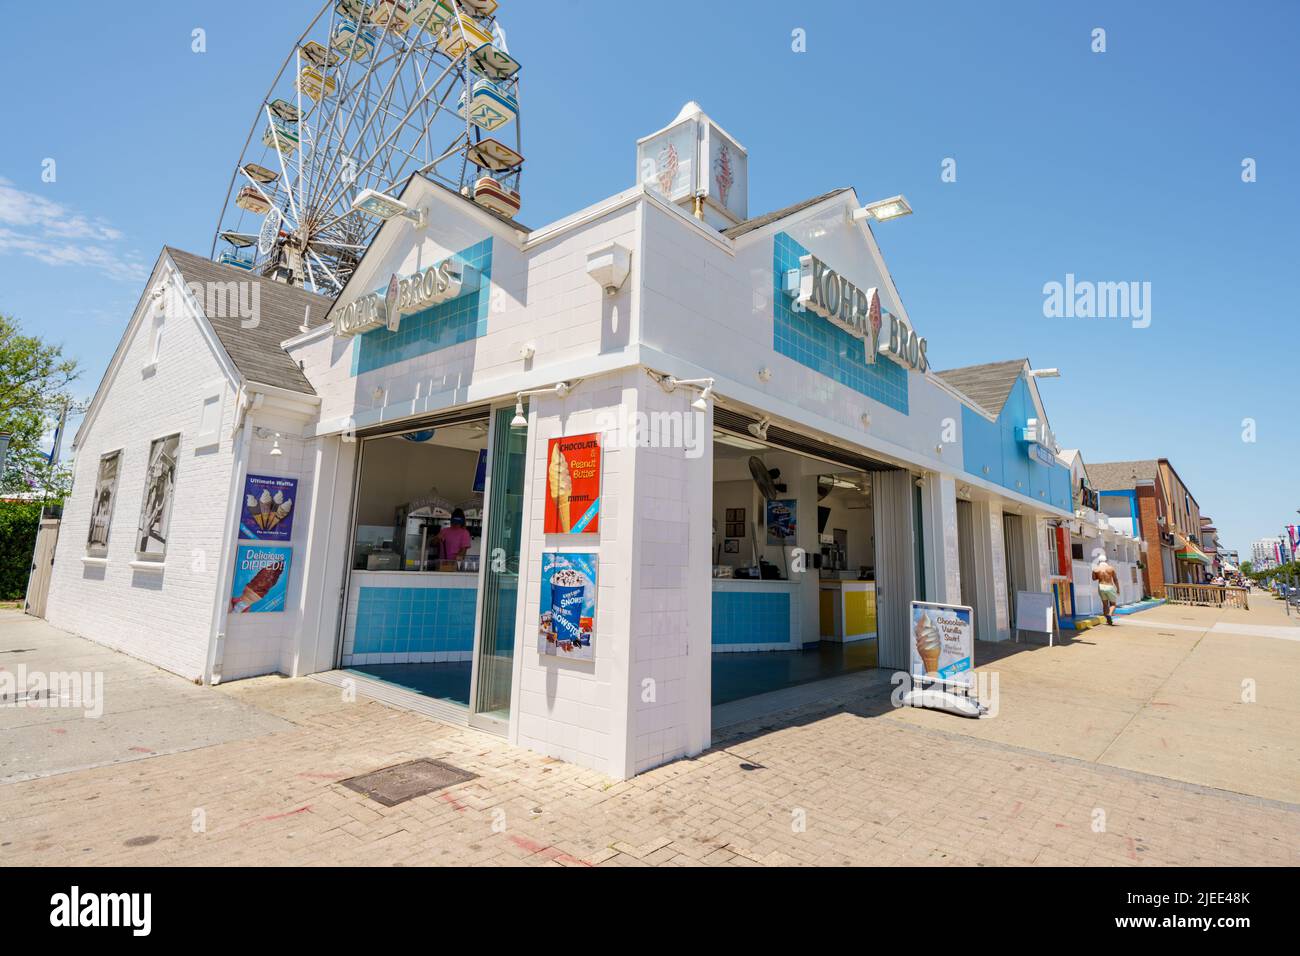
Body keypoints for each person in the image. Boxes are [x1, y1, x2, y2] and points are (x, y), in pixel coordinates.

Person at [1092, 557, 1121, 625]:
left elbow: (1093, 578)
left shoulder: (1096, 569)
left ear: (1099, 561)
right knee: (1113, 604)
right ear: (1106, 561)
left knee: (1105, 604)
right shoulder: (1111, 568)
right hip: (1109, 586)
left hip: (1101, 586)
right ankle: (1109, 615)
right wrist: (1118, 589)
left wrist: (1099, 576)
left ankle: (1107, 620)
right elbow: (1115, 579)